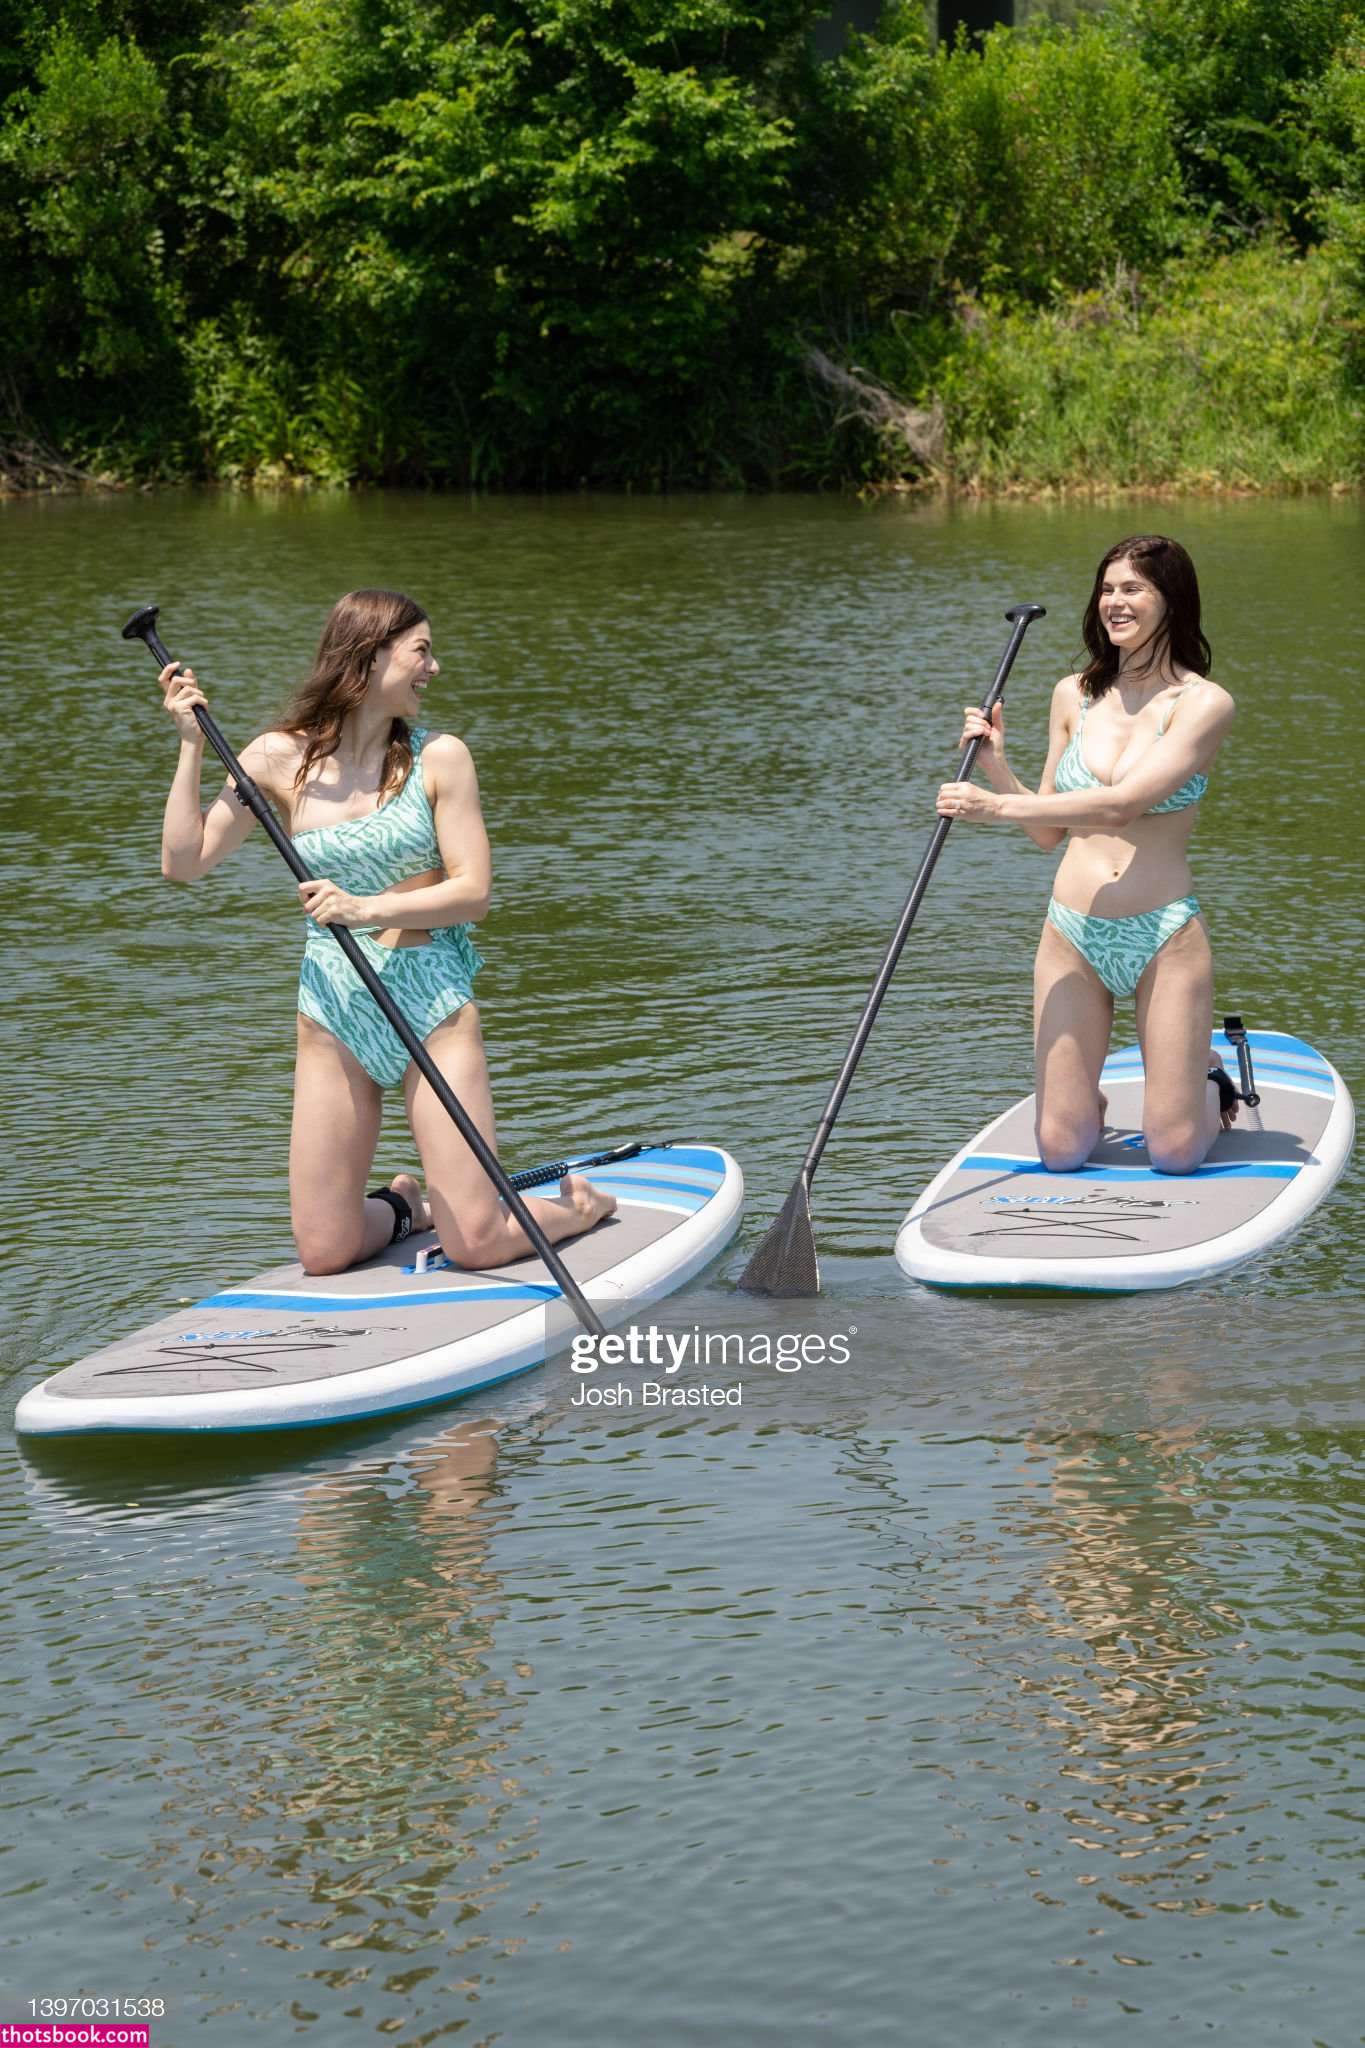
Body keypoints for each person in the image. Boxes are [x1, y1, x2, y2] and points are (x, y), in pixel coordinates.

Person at [158, 587, 616, 1273]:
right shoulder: (274, 759)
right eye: (421, 651)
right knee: (324, 1251)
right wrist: (191, 747)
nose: (434, 668)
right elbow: (183, 863)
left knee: (478, 1246)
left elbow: (473, 894)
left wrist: (366, 909)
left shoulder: (441, 759)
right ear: (369, 657)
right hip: (333, 1010)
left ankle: (580, 1208)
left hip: (430, 1002)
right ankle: (408, 1204)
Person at [936, 535, 1237, 1175]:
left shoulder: (1204, 704)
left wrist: (992, 809)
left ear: (1172, 599)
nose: (1115, 602)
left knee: (1176, 1152)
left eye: (1134, 588)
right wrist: (997, 769)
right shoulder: (1072, 694)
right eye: (1107, 588)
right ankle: (1083, 1098)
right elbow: (1051, 829)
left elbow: (1120, 805)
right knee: (1061, 1149)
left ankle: (1209, 1082)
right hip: (1070, 932)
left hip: (1162, 933)